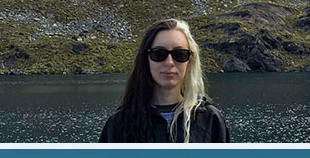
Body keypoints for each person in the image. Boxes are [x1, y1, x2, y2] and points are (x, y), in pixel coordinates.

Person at [98, 18, 230, 143]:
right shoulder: (118, 123)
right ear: (146, 59)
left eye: (180, 54)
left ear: (189, 62)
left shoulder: (211, 119)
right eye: (158, 54)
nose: (169, 62)